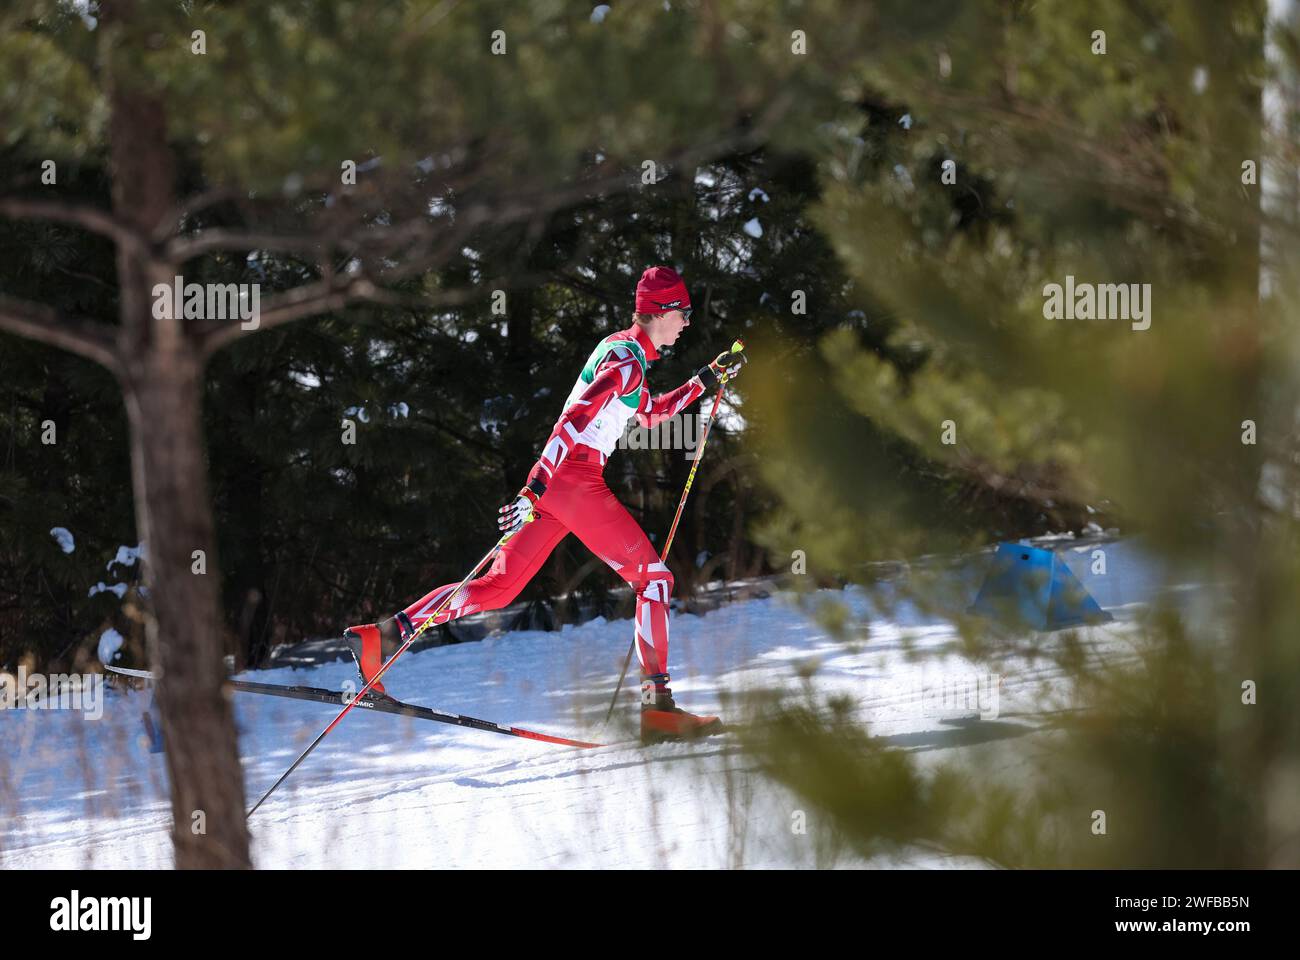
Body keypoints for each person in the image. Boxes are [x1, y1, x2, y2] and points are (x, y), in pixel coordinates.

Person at [344, 266, 745, 742]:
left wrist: (705, 379)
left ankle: (381, 637)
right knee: (655, 579)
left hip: (561, 485)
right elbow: (572, 422)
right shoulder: (626, 361)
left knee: (497, 588)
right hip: (572, 480)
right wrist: (534, 487)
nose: (686, 323)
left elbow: (652, 413)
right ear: (661, 311)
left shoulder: (627, 354)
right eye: (683, 313)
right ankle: (657, 707)